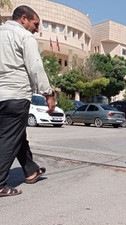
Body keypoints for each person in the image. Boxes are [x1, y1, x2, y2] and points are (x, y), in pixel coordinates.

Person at [0, 5, 54, 197]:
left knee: (15, 134)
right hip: (16, 94)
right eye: (35, 23)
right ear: (24, 19)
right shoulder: (24, 36)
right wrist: (48, 94)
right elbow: (35, 67)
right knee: (9, 138)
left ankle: (30, 170)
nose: (36, 29)